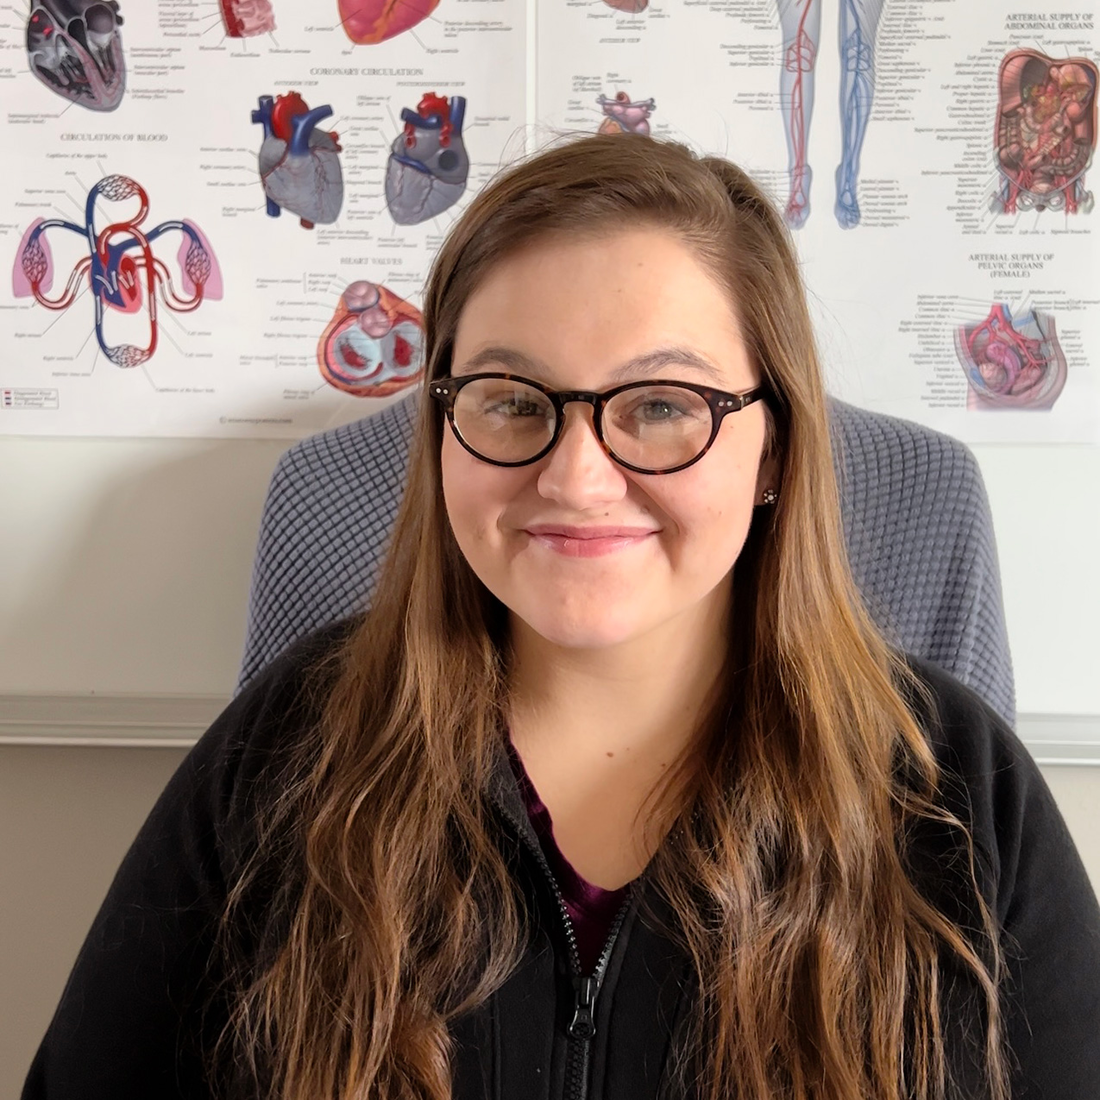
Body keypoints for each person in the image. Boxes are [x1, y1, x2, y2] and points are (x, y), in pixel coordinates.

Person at [22, 133, 1100, 1100]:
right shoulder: (285, 754)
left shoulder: (956, 790)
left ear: (772, 446)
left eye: (662, 406)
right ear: (440, 425)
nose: (577, 479)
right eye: (509, 399)